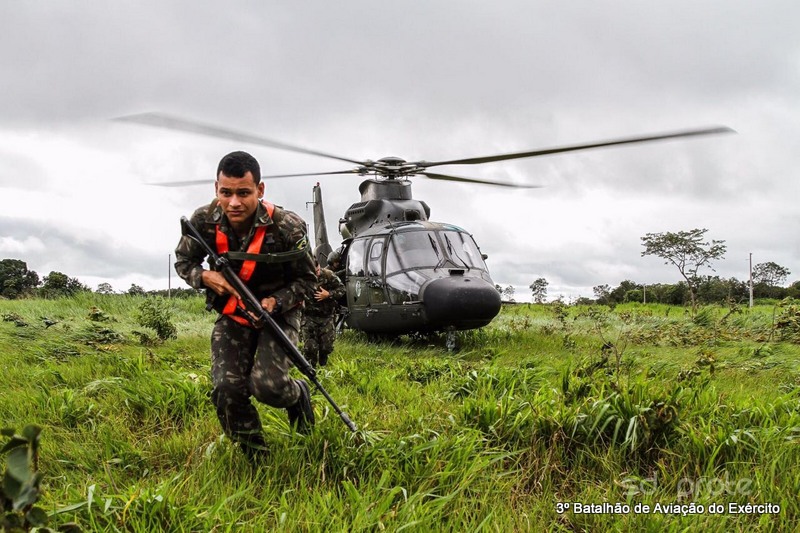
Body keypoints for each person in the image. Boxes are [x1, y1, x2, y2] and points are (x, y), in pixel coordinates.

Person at [174, 151, 317, 461]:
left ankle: (298, 395)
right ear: (216, 189)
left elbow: (308, 281)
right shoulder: (203, 221)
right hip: (234, 313)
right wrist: (205, 276)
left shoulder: (287, 227)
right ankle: (257, 458)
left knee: (268, 387)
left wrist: (275, 301)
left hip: (278, 313)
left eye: (243, 193)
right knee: (227, 389)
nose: (234, 202)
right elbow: (184, 262)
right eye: (226, 193)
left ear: (260, 190)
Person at [301, 260, 346, 367]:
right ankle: (310, 369)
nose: (316, 273)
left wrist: (329, 294)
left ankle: (323, 364)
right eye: (313, 271)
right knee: (310, 348)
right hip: (309, 317)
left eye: (317, 270)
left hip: (326, 316)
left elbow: (342, 289)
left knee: (326, 347)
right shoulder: (303, 277)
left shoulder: (328, 275)